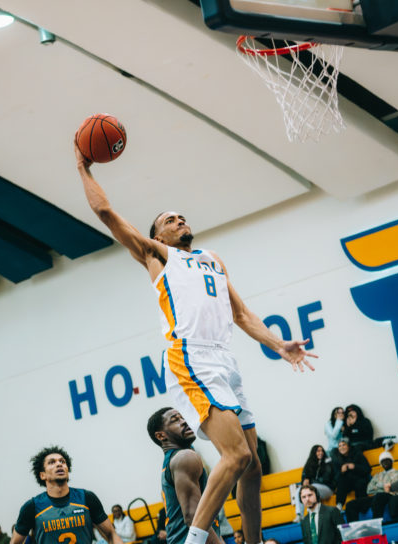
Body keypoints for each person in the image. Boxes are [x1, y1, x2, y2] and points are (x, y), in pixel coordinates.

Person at [77, 143, 316, 544]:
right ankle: (194, 542)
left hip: (225, 359)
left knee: (253, 466)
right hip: (190, 355)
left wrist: (278, 345)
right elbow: (105, 213)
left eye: (181, 215)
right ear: (157, 236)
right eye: (169, 219)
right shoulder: (158, 257)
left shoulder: (212, 259)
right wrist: (83, 166)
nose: (179, 219)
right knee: (235, 455)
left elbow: (241, 315)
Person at [11, 445, 123, 544]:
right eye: (52, 462)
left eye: (62, 461)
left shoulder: (87, 498)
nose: (59, 464)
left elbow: (111, 534)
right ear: (42, 475)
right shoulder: (32, 507)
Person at [147, 408, 223, 544]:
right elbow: (193, 517)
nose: (184, 422)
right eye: (175, 420)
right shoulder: (184, 457)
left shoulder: (174, 460)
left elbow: (208, 522)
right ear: (160, 436)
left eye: (183, 417)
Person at [344, 451, 398, 522]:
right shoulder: (377, 475)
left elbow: (392, 487)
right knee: (351, 504)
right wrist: (384, 486)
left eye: (387, 460)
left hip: (392, 496)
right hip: (377, 497)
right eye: (383, 461)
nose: (385, 463)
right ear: (381, 464)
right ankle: (353, 527)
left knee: (379, 496)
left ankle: (376, 523)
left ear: (391, 461)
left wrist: (378, 486)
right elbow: (369, 489)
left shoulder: (397, 472)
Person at [294, 445, 336, 522]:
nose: (321, 453)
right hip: (314, 487)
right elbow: (304, 476)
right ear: (314, 453)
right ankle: (300, 515)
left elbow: (326, 478)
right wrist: (305, 480)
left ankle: (312, 513)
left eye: (322, 451)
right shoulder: (309, 463)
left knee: (311, 488)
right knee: (300, 490)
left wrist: (310, 483)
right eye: (318, 451)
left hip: (327, 488)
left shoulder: (328, 462)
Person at [330, 438, 370, 510]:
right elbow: (336, 478)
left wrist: (355, 467)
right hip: (347, 482)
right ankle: (339, 506)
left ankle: (362, 506)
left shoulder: (357, 454)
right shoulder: (336, 459)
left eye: (344, 445)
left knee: (360, 483)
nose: (342, 447)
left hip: (359, 478)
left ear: (348, 446)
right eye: (340, 446)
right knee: (341, 482)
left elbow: (367, 469)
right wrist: (341, 471)